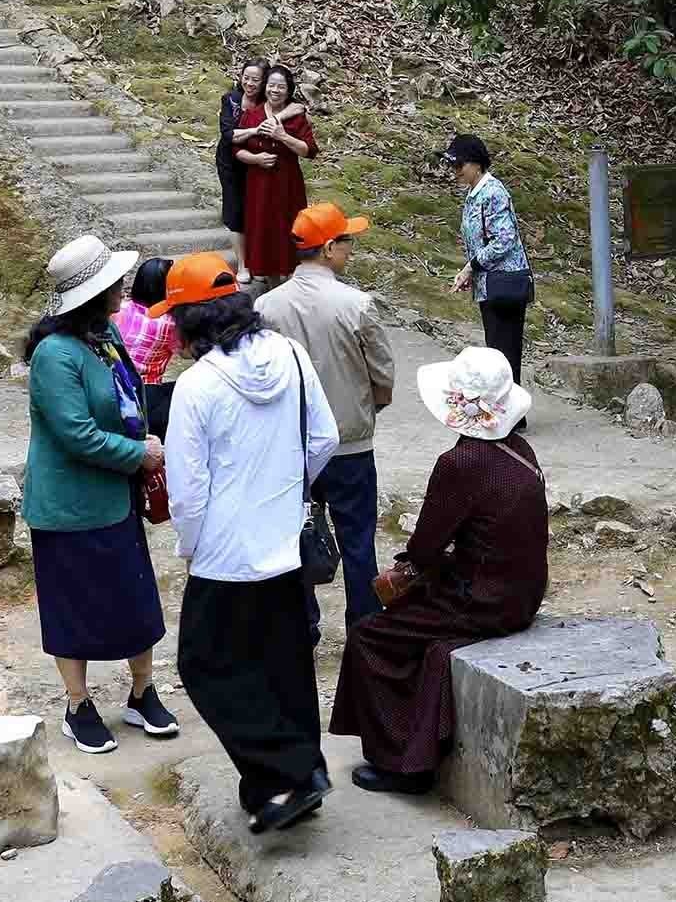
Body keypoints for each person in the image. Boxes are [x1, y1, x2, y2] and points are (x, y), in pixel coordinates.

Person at [157, 252, 338, 834]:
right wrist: (286, 489)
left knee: (205, 666)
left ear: (190, 321)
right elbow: (324, 437)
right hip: (285, 543)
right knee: (284, 661)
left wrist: (191, 545)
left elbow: (188, 491)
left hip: (225, 553)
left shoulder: (197, 386)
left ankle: (284, 774)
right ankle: (294, 776)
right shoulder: (290, 354)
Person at [329, 345, 548, 795]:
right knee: (433, 649)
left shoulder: (461, 463)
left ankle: (398, 762)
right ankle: (418, 746)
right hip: (522, 593)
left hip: (481, 600)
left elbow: (425, 547)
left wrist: (410, 572)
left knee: (370, 635)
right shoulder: (519, 449)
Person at [22, 234, 178, 756]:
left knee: (134, 596)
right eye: (115, 281)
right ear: (96, 292)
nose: (124, 288)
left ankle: (141, 691)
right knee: (74, 606)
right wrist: (141, 454)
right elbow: (76, 432)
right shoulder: (55, 355)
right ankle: (77, 703)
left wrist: (145, 440)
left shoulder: (105, 336)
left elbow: (129, 400)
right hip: (68, 506)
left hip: (114, 498)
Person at [256, 201, 397, 629]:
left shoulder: (266, 307)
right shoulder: (356, 304)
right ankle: (364, 622)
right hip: (350, 441)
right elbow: (383, 374)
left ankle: (302, 623)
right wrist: (370, 405)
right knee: (357, 537)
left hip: (291, 445)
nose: (351, 250)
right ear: (329, 247)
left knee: (295, 537)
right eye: (348, 241)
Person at [446, 134, 533, 386]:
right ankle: (508, 416)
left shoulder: (493, 192)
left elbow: (504, 240)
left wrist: (472, 266)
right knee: (498, 354)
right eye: (453, 166)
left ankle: (511, 418)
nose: (455, 172)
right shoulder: (475, 192)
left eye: (459, 165)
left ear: (476, 164)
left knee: (503, 356)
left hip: (504, 285)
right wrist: (470, 272)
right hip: (490, 284)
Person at [232, 65, 317, 282]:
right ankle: (263, 271)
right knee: (260, 223)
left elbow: (309, 150)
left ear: (288, 91)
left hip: (287, 182)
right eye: (271, 85)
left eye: (281, 87)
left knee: (287, 225)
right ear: (265, 88)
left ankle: (288, 271)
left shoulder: (296, 117)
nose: (275, 91)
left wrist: (283, 136)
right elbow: (236, 149)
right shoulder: (252, 115)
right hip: (258, 181)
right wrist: (256, 159)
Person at [217, 62, 262, 277]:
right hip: (230, 164)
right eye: (247, 77)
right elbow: (229, 134)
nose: (250, 83)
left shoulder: (267, 103)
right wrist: (255, 130)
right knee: (235, 212)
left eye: (256, 79)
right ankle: (243, 265)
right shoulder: (231, 99)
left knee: (255, 210)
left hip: (258, 163)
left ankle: (258, 260)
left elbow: (297, 109)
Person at [116, 257, 183, 384]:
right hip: (146, 388)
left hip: (117, 382)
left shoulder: (121, 309)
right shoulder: (169, 324)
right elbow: (187, 352)